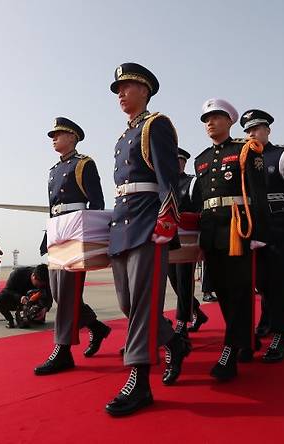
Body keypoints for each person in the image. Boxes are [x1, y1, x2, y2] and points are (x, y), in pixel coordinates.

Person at [104, 63, 190, 417]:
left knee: (142, 306)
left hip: (146, 222)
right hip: (122, 225)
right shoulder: (124, 136)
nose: (121, 94)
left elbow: (169, 178)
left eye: (127, 87)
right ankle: (173, 341)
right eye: (119, 89)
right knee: (129, 304)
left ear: (145, 90)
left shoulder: (156, 125)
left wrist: (166, 220)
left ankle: (139, 381)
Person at [192, 98, 270, 377]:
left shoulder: (246, 150)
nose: (209, 123)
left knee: (239, 289)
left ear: (230, 121)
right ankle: (245, 339)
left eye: (215, 117)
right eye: (206, 119)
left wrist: (258, 233)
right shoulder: (200, 159)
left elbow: (258, 194)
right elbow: (200, 201)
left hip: (238, 229)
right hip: (212, 231)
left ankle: (230, 348)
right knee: (223, 291)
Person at [34, 117, 112, 376]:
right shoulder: (53, 170)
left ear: (72, 137)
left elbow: (97, 202)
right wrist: (47, 235)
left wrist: (88, 237)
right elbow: (51, 206)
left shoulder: (84, 164)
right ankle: (96, 327)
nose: (53, 139)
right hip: (57, 230)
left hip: (75, 230)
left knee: (67, 293)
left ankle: (63, 349)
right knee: (59, 293)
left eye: (58, 134)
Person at [241, 108, 284, 363]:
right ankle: (275, 318)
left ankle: (282, 333)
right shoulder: (244, 157)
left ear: (267, 129)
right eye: (247, 131)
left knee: (281, 280)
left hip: (280, 223)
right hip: (255, 225)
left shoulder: (283, 155)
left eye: (256, 129)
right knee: (261, 280)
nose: (252, 134)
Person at [167, 147, 208, 338]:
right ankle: (197, 312)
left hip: (186, 239)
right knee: (174, 281)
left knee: (184, 280)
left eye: (179, 161)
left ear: (184, 163)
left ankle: (182, 321)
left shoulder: (191, 182)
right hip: (168, 239)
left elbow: (201, 208)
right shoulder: (164, 185)